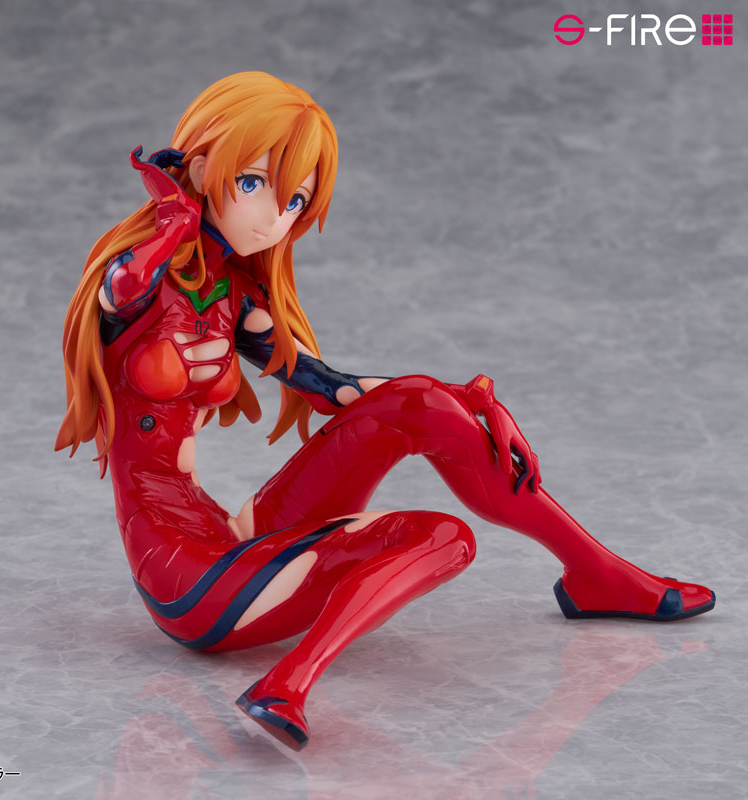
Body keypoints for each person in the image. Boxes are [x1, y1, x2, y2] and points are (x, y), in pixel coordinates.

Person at [56, 71, 714, 751]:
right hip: (185, 572)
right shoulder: (138, 284)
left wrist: (469, 400)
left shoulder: (232, 298)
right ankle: (287, 683)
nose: (275, 218)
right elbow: (121, 287)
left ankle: (596, 573)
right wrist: (173, 219)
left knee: (420, 402)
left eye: (296, 199)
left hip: (231, 535)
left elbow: (328, 387)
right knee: (442, 537)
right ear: (199, 170)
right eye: (254, 184)